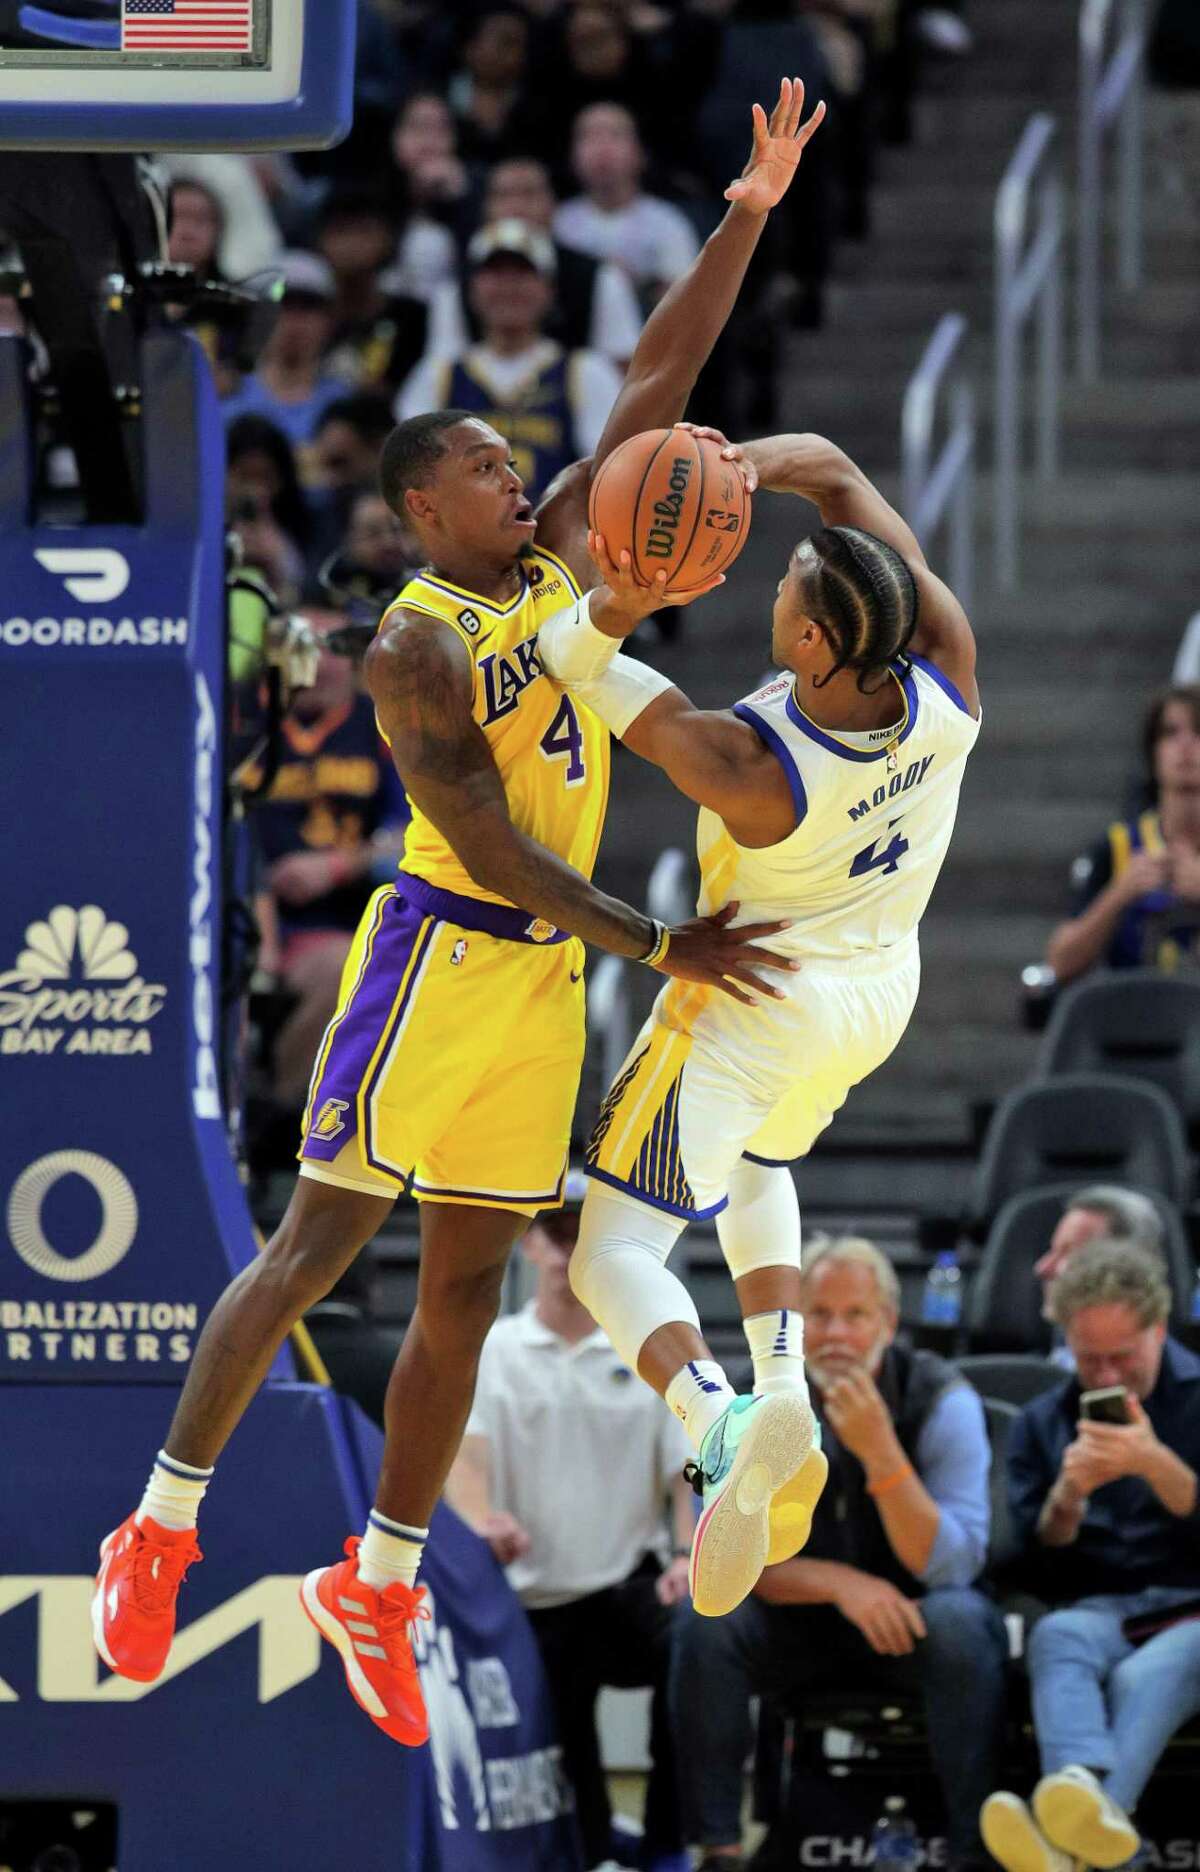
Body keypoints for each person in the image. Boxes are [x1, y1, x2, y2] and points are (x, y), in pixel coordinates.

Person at [91, 79, 826, 1755]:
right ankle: (161, 1519)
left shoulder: (570, 562)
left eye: (519, 465)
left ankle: (383, 1576)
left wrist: (749, 212)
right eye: (490, 469)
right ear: (426, 507)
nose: (521, 479)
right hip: (441, 950)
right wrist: (659, 946)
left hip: (546, 982)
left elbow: (659, 378)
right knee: (312, 1249)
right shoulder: (410, 641)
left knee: (469, 1294)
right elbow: (487, 846)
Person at [538, 421, 978, 1619]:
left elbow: (571, 662)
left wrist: (625, 593)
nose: (774, 572)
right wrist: (734, 468)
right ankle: (780, 1375)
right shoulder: (943, 661)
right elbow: (835, 469)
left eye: (787, 582)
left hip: (753, 994)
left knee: (613, 1251)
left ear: (814, 643)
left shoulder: (751, 763)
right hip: (877, 991)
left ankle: (715, 1419)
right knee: (764, 1157)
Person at [672, 1235, 1006, 1870]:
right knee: (705, 1621)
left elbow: (952, 1564)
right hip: (797, 1624)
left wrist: (881, 1453)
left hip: (907, 1623)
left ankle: (973, 1850)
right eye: (817, 1315)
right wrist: (839, 1584)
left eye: (855, 1316)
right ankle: (719, 1846)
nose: (834, 1335)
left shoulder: (941, 1398)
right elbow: (718, 1556)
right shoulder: (751, 1401)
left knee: (965, 1620)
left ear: (889, 1322)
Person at [445, 1172, 692, 1872]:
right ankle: (588, 1853)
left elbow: (689, 1468)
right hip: (534, 1594)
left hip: (630, 1581)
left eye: (584, 1237)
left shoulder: (649, 1346)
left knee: (700, 1645)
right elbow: (467, 1458)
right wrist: (480, 1521)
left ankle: (671, 1844)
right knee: (561, 1726)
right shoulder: (494, 1350)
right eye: (556, 1234)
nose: (567, 1251)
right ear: (528, 1245)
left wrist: (684, 1552)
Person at [982, 1239, 1200, 1872]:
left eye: (1122, 1357)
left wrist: (1158, 1466)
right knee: (1057, 1637)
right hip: (1099, 1607)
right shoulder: (1043, 1421)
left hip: (1191, 1610)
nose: (1104, 1377)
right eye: (1088, 1359)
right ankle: (1083, 1816)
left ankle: (1065, 1847)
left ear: (1158, 1329)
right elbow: (1025, 1565)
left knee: (1145, 1675)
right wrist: (1067, 1501)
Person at [247, 601, 409, 1116]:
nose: (315, 663)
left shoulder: (381, 728)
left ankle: (278, 1118)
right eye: (301, 648)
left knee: (347, 965)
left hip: (339, 919)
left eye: (328, 648)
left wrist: (341, 865)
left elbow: (415, 835)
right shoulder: (238, 722)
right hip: (238, 916)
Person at [397, 218, 623, 505]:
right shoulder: (437, 375)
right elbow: (407, 477)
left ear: (549, 288)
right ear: (472, 287)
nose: (508, 287)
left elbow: (609, 474)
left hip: (555, 544)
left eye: (522, 274)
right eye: (495, 274)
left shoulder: (586, 372)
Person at [1044, 684, 1200, 982]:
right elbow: (1059, 962)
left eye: (1198, 731)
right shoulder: (1117, 848)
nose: (1186, 745)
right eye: (1170, 733)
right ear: (1153, 753)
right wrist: (1119, 894)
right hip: (1135, 1020)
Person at [434, 155, 644, 367]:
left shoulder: (600, 277)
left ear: (553, 204)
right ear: (485, 208)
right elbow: (442, 376)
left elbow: (623, 369)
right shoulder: (455, 287)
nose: (516, 206)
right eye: (503, 195)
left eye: (529, 193)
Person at [555, 103, 700, 305]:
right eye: (588, 136)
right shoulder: (559, 222)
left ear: (640, 153)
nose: (602, 148)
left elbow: (685, 302)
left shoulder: (668, 223)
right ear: (572, 156)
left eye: (615, 135)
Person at [220, 250, 347, 457]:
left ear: (330, 321)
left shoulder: (342, 404)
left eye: (309, 308)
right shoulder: (227, 397)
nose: (295, 323)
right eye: (282, 306)